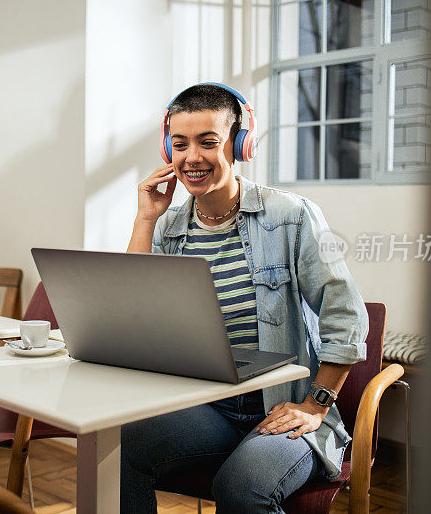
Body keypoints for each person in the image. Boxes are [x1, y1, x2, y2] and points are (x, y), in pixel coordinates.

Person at [122, 83, 369, 513]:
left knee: (240, 487)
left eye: (208, 142)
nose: (191, 157)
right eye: (179, 144)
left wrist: (315, 405)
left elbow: (346, 315)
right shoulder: (168, 226)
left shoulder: (292, 215)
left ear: (240, 144)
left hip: (283, 405)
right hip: (207, 407)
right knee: (118, 447)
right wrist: (146, 218)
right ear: (167, 150)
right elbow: (134, 311)